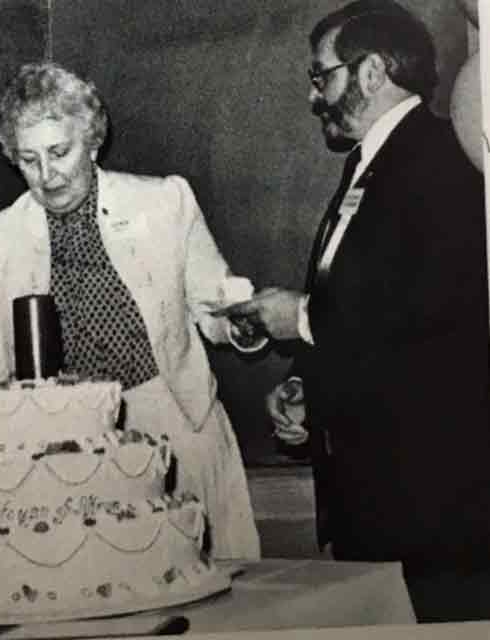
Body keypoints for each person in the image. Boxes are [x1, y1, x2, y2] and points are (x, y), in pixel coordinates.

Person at [219, 0, 490, 622]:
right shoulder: (367, 167)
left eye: (323, 76)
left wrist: (305, 320)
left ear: (370, 73)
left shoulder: (443, 161)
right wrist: (309, 389)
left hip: (431, 506)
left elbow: (440, 312)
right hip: (375, 498)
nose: (315, 97)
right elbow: (374, 314)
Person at [0, 61, 260, 561]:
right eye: (28, 160)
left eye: (59, 152)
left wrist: (243, 321)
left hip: (174, 423)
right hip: (61, 447)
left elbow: (215, 307)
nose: (46, 174)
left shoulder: (164, 202)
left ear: (92, 141)